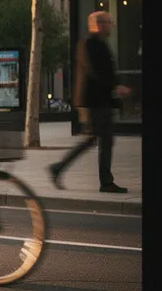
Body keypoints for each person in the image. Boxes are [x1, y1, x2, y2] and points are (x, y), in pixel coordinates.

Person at [49, 11, 131, 193]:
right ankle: (105, 182)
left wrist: (115, 85)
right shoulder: (89, 44)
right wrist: (115, 86)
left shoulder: (99, 43)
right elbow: (94, 71)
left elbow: (104, 70)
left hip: (100, 100)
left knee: (95, 139)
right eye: (109, 22)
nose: (111, 25)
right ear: (99, 24)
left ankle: (59, 168)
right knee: (103, 139)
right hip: (94, 101)